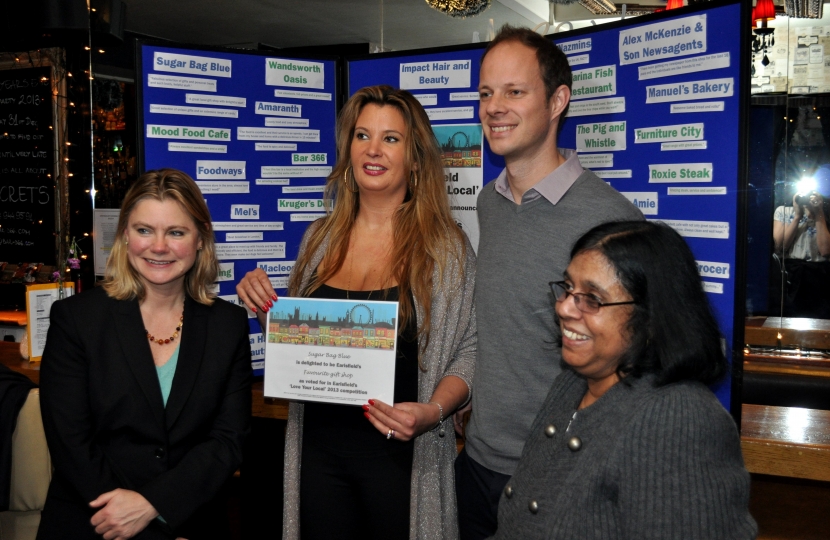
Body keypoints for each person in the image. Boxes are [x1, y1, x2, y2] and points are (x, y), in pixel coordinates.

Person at [236, 85, 476, 539]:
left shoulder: (446, 249)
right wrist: (267, 311)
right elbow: (306, 347)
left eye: (391, 139)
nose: (373, 150)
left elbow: (470, 348)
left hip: (402, 461)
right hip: (319, 453)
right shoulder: (318, 239)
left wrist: (433, 411)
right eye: (362, 135)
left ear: (415, 156)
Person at [455, 25, 643, 539]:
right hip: (477, 462)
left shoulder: (610, 220)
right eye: (486, 93)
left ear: (558, 100)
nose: (495, 107)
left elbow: (631, 365)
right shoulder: (489, 203)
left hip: (561, 471)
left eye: (515, 91)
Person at [490, 220, 757, 539]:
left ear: (652, 315)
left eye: (592, 298)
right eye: (568, 288)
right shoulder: (574, 381)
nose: (563, 307)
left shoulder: (678, 419)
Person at [38, 169, 252, 540]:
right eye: (144, 230)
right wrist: (145, 525)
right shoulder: (77, 319)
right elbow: (70, 441)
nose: (158, 246)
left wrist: (157, 505)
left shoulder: (228, 324)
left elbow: (227, 441)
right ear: (124, 235)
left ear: (200, 238)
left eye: (176, 232)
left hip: (191, 523)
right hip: (95, 523)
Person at [773, 169, 830, 262]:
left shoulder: (826, 214)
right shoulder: (783, 211)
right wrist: (797, 216)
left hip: (820, 271)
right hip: (791, 270)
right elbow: (779, 248)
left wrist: (819, 213)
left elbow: (826, 251)